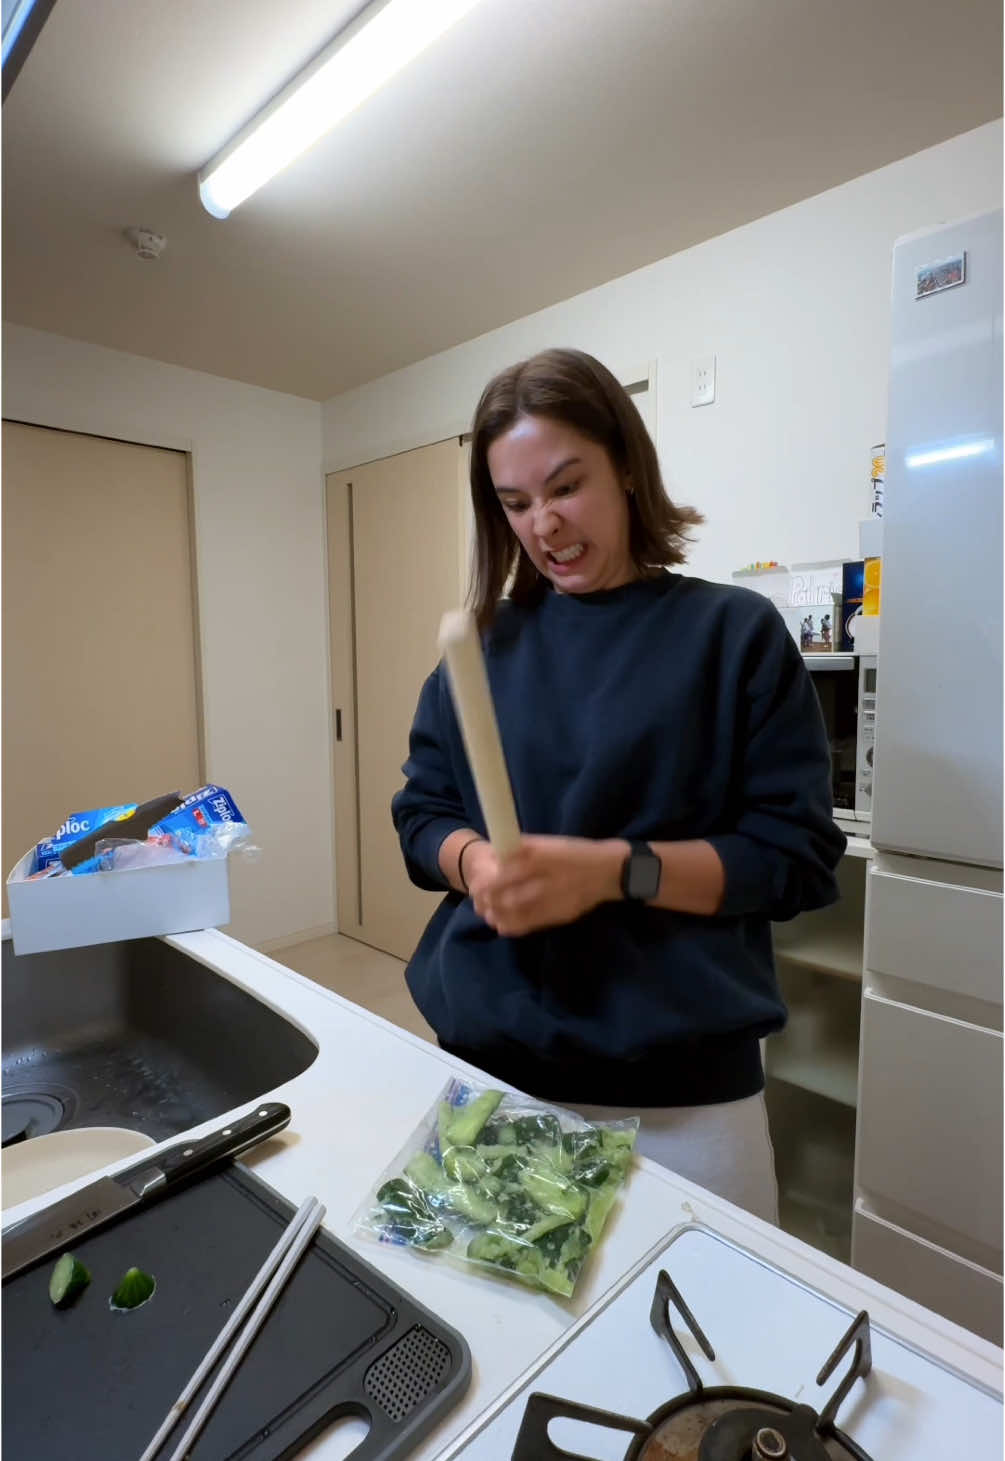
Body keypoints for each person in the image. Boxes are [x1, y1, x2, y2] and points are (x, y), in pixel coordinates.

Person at [391, 348, 845, 1223]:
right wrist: (473, 861)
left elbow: (792, 860)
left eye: (565, 487)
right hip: (498, 1072)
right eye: (515, 503)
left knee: (710, 1346)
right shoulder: (482, 650)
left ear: (627, 468)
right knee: (507, 1347)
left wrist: (612, 870)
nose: (543, 526)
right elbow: (423, 812)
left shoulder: (730, 633)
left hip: (685, 1098)